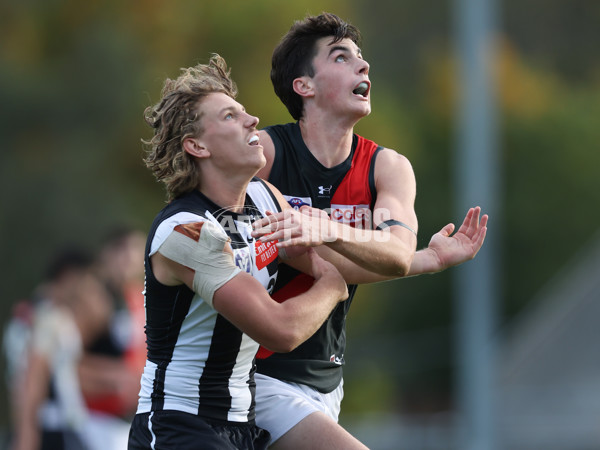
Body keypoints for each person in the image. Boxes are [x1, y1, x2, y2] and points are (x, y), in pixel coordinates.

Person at [249, 12, 489, 449]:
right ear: (304, 86)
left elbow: (394, 253)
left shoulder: (388, 167)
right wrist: (417, 260)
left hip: (325, 379)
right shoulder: (263, 155)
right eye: (341, 58)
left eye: (362, 59)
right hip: (257, 373)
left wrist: (326, 228)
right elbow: (296, 256)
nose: (364, 67)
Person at [127, 54, 350, 450]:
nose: (252, 121)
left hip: (242, 423)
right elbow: (282, 330)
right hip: (183, 425)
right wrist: (333, 286)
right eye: (230, 116)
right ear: (196, 145)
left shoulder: (263, 199)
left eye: (245, 112)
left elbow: (339, 259)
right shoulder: (186, 231)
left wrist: (426, 258)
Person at [10, 247, 113, 450]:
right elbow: (32, 383)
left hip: (64, 424)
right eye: (87, 280)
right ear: (70, 277)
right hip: (51, 427)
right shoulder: (45, 318)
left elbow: (67, 369)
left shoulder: (57, 318)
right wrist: (26, 439)